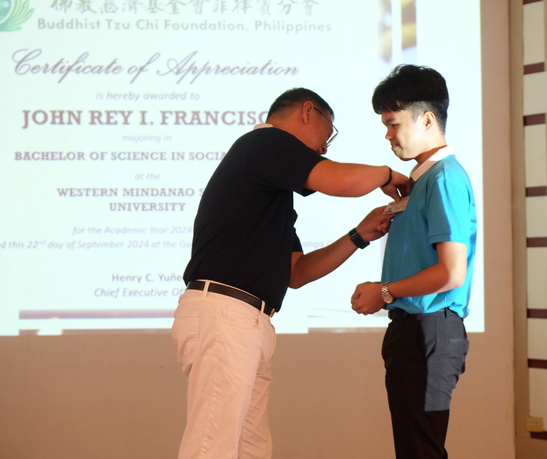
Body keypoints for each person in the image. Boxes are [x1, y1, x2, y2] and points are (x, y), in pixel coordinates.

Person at [171, 87, 411, 459]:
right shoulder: (267, 141)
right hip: (225, 315)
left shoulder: (270, 188)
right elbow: (342, 181)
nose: (324, 148)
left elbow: (295, 272)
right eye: (327, 134)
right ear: (306, 111)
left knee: (251, 449)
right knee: (212, 447)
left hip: (248, 321)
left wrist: (359, 236)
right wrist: (387, 174)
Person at [351, 64, 477, 459]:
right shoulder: (423, 179)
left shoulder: (444, 179)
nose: (387, 135)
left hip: (430, 331)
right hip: (415, 331)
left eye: (392, 124)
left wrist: (384, 292)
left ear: (426, 119)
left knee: (420, 450)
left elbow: (451, 272)